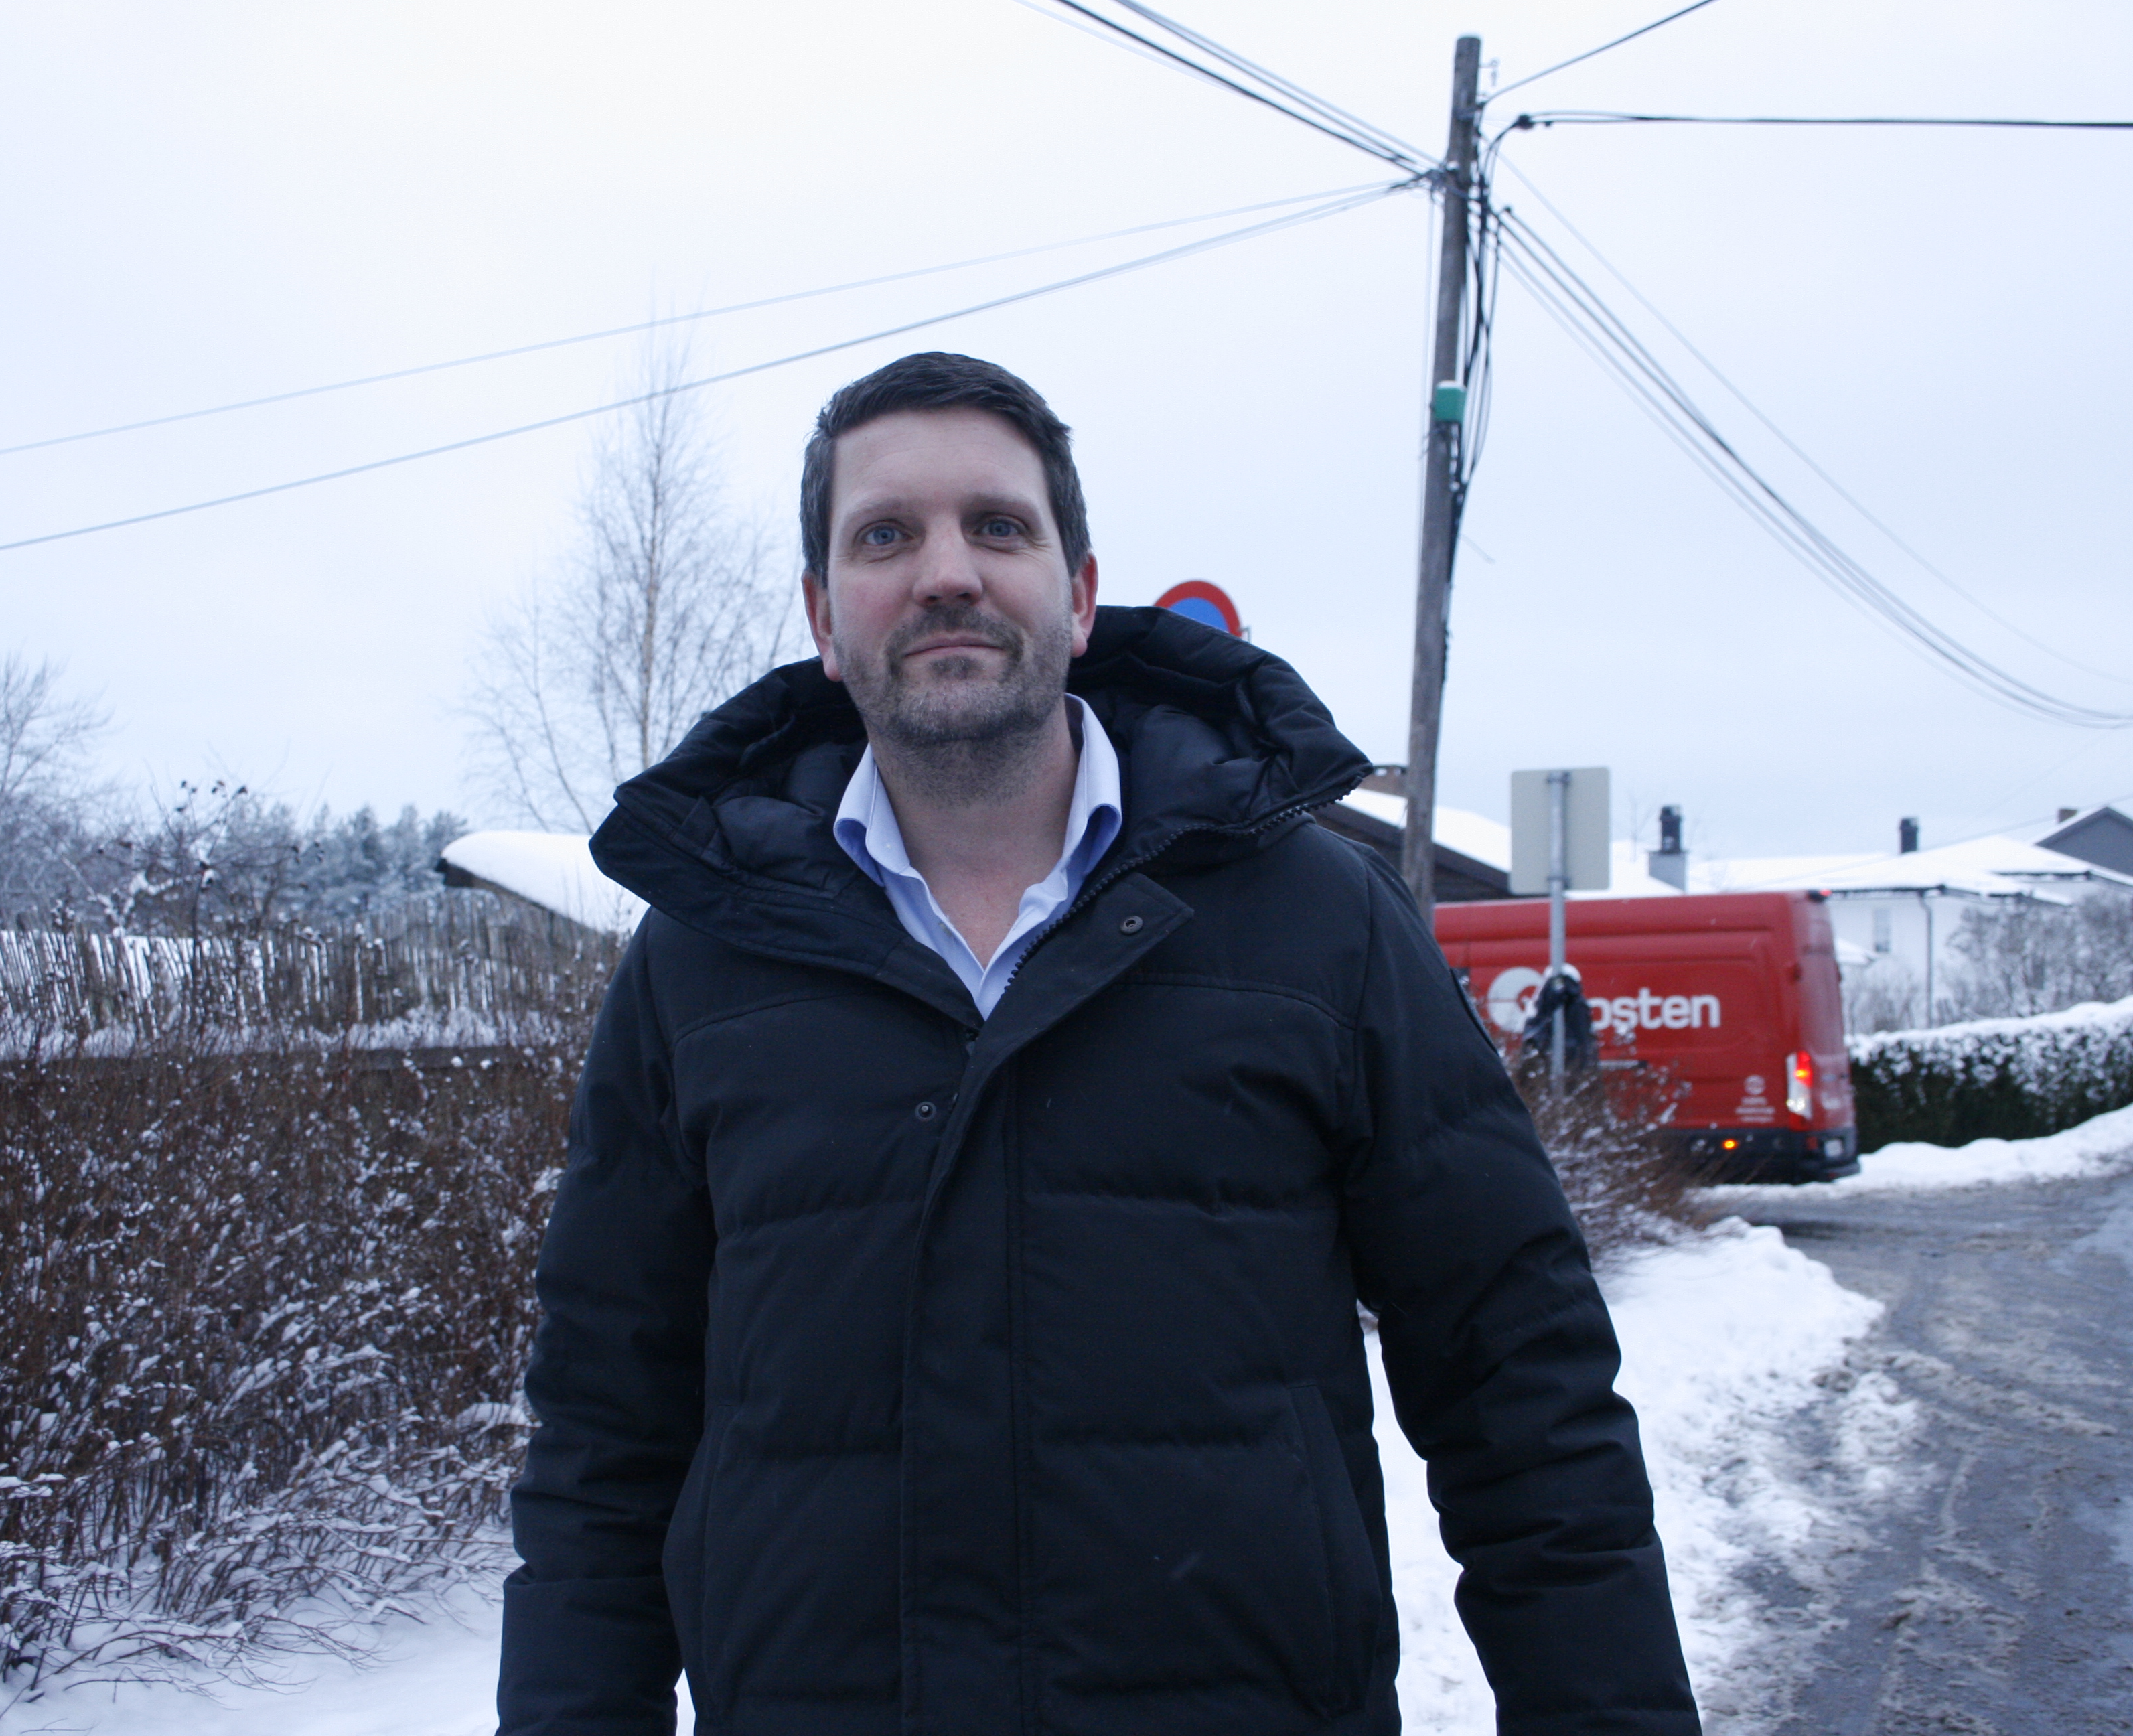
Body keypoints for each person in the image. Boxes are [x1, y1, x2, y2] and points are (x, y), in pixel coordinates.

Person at [497, 352, 1698, 1736]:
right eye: (885, 536)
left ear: (1077, 594)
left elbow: (1522, 1384)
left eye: (997, 525)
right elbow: (602, 1443)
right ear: (825, 617)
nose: (947, 572)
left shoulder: (1321, 925)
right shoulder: (700, 961)